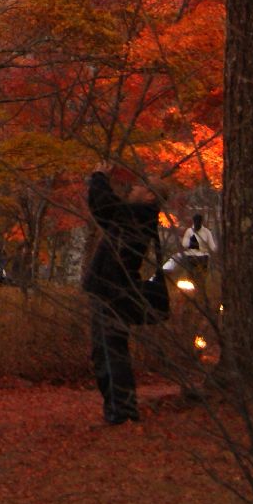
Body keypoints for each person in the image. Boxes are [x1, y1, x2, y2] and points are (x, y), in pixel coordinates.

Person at [81, 172, 159, 425]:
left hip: (112, 292)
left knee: (110, 351)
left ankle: (121, 412)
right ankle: (119, 410)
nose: (133, 187)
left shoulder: (139, 216)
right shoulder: (136, 217)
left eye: (139, 186)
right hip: (112, 290)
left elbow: (105, 207)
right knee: (106, 351)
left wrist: (99, 177)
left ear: (150, 196)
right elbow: (105, 211)